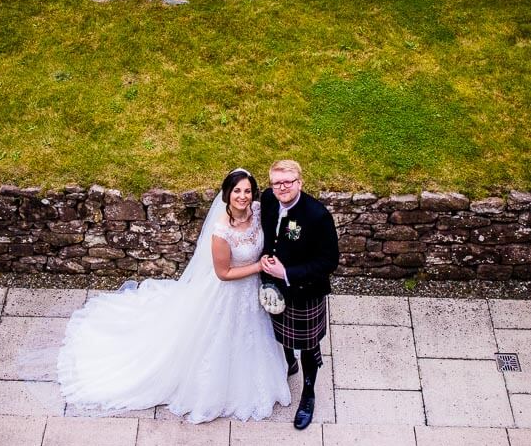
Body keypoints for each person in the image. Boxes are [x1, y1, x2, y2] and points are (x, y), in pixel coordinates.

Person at [58, 169, 290, 423]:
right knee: (218, 338)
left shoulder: (257, 210)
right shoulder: (222, 231)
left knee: (252, 335)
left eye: (247, 191)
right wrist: (258, 267)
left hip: (252, 291)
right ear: (227, 194)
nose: (243, 196)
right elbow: (223, 273)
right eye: (237, 191)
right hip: (229, 292)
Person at [260, 159, 339, 430]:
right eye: (276, 183)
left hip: (305, 291)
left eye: (288, 182)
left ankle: (308, 394)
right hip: (274, 287)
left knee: (307, 345)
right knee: (280, 334)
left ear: (300, 183)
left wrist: (287, 273)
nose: (282, 188)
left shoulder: (317, 216)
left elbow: (329, 261)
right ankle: (289, 364)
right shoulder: (268, 199)